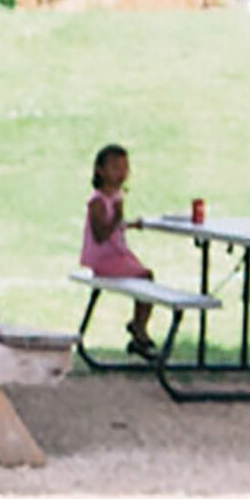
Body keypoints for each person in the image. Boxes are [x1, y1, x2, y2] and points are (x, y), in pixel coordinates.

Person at [83, 142, 159, 358]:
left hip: (118, 254)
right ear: (100, 171)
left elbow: (115, 226)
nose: (122, 173)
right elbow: (100, 234)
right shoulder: (97, 201)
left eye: (125, 168)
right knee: (146, 278)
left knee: (147, 279)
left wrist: (130, 224)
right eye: (115, 167)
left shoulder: (116, 198)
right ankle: (140, 330)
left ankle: (139, 326)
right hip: (105, 259)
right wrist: (117, 217)